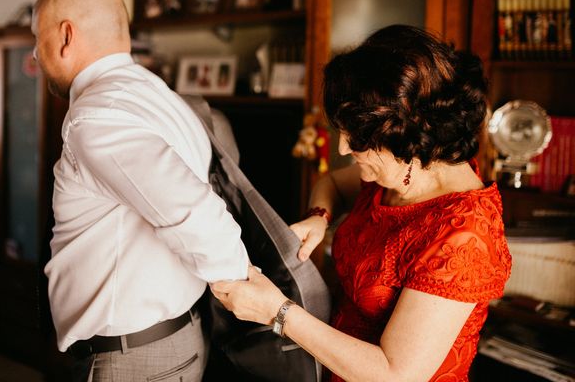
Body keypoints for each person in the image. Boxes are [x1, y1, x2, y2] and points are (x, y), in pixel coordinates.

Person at [211, 25, 512, 382]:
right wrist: (319, 217)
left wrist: (277, 311)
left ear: (408, 133)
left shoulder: (464, 236)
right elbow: (332, 183)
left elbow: (395, 374)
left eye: (356, 137)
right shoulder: (398, 173)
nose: (342, 149)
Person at [33, 0, 249, 381]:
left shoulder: (97, 118)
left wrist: (242, 289)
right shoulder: (158, 95)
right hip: (170, 340)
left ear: (65, 36)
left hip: (130, 361)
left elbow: (198, 213)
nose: (35, 54)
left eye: (36, 37)